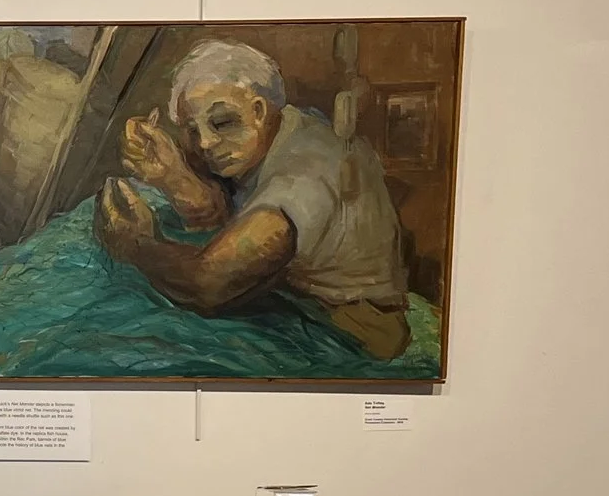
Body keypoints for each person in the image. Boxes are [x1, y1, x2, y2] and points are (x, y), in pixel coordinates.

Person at [93, 38, 413, 360]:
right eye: (193, 129)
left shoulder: (303, 175)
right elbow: (225, 217)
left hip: (352, 333)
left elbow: (208, 283)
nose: (204, 143)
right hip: (303, 302)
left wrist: (135, 245)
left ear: (259, 110)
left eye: (222, 122)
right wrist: (172, 176)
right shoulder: (287, 127)